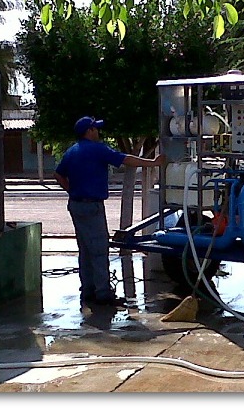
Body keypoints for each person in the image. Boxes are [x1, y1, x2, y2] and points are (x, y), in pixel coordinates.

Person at [54, 116, 165, 307]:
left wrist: (72, 191)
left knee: (85, 249)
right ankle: (103, 294)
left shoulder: (72, 151)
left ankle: (88, 290)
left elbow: (58, 174)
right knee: (99, 249)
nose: (98, 132)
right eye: (95, 129)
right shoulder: (98, 149)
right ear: (89, 131)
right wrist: (153, 163)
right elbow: (126, 159)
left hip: (76, 204)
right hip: (92, 206)